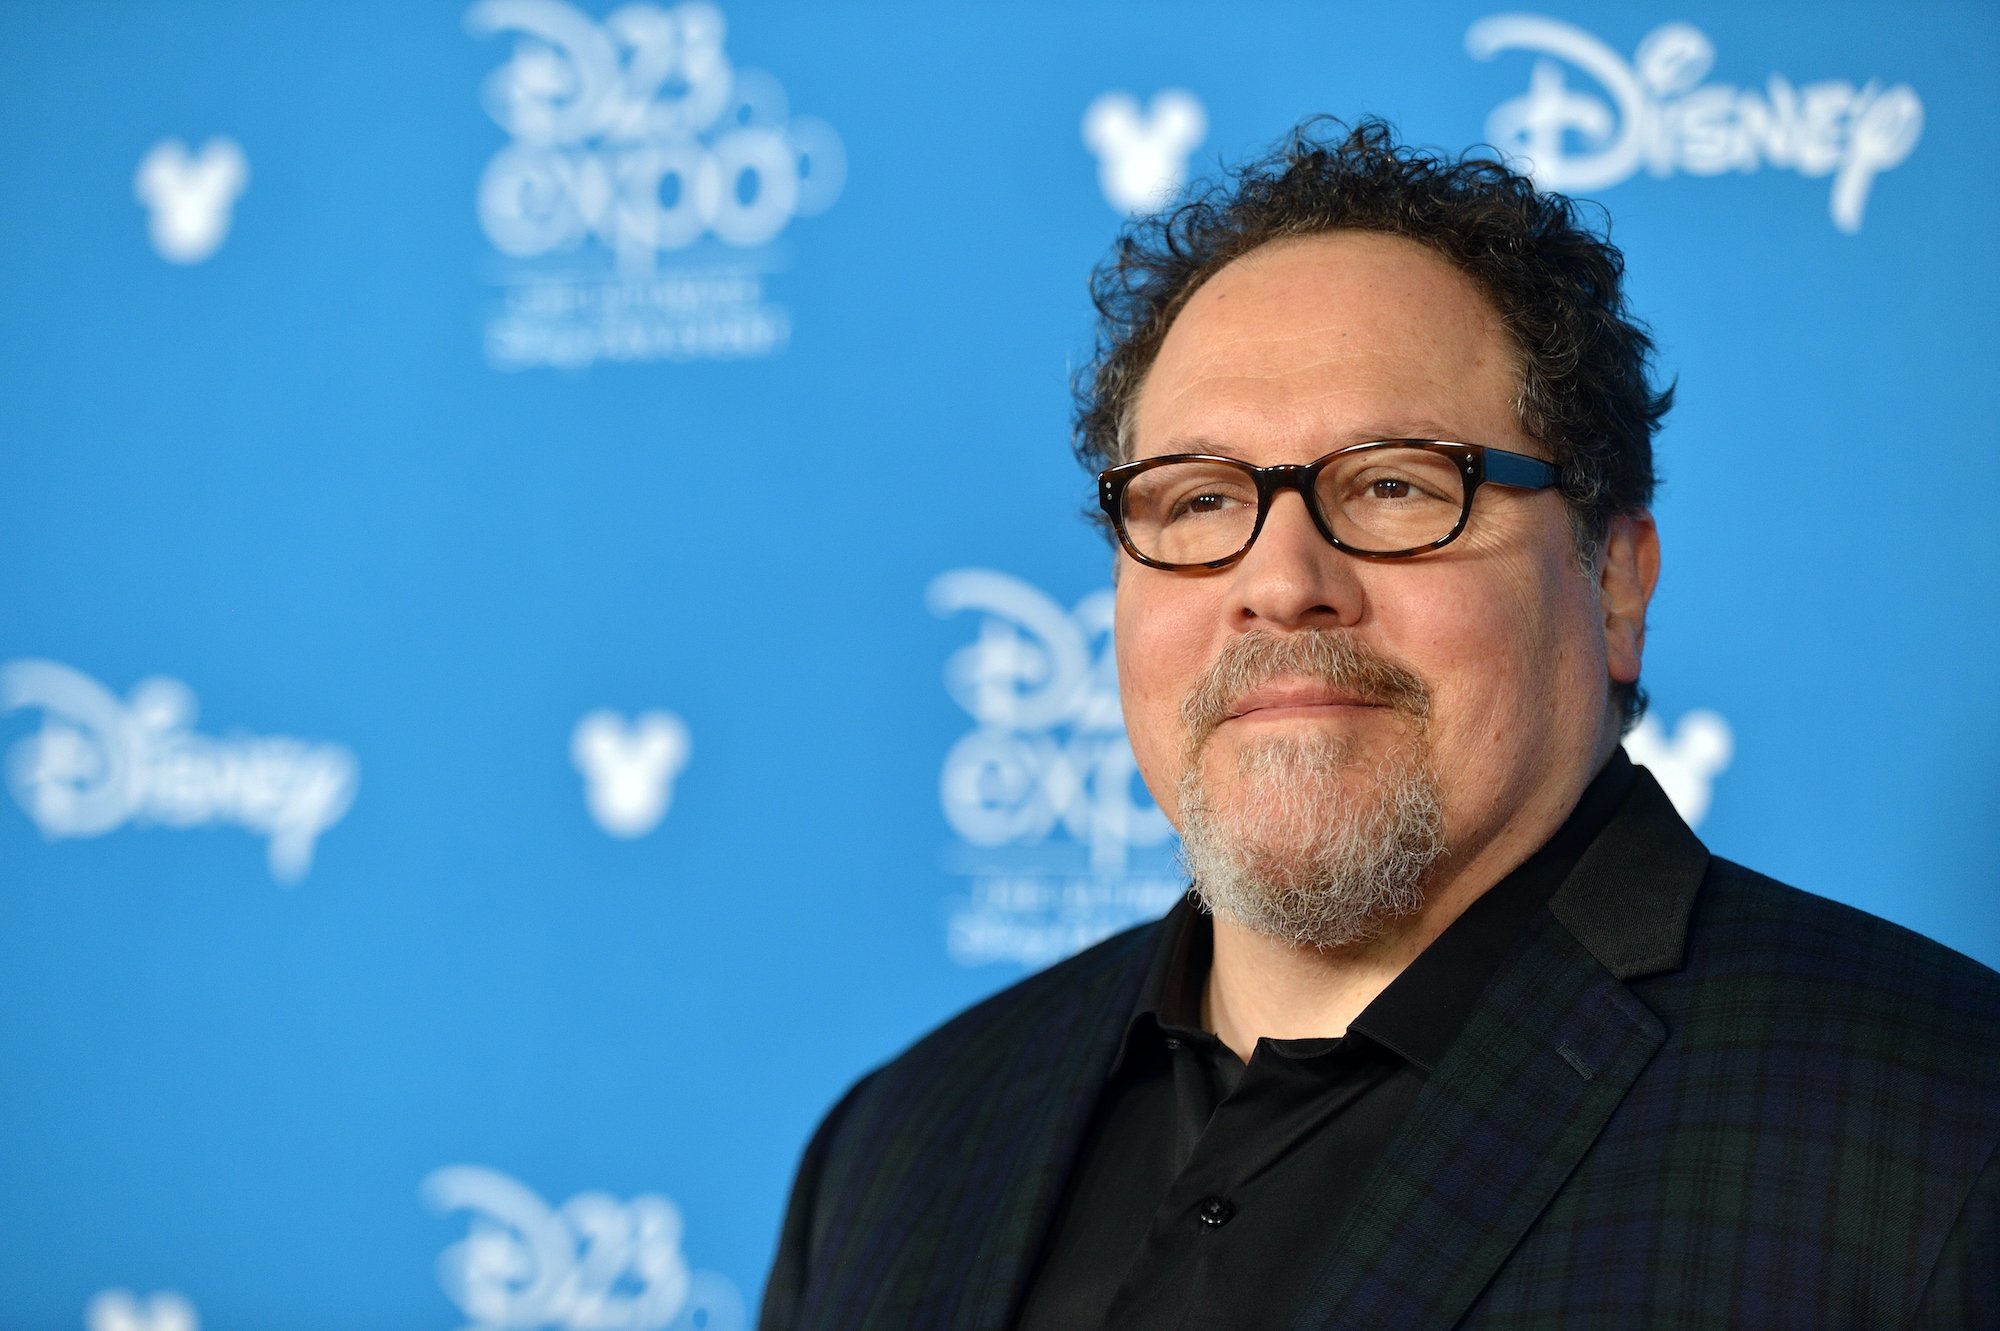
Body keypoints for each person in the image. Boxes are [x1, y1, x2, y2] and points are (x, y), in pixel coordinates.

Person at [758, 118, 2000, 1330]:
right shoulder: (897, 1149)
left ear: (1613, 581)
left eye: (1394, 484)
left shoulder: (1941, 1137)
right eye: (1199, 501)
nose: (1279, 579)